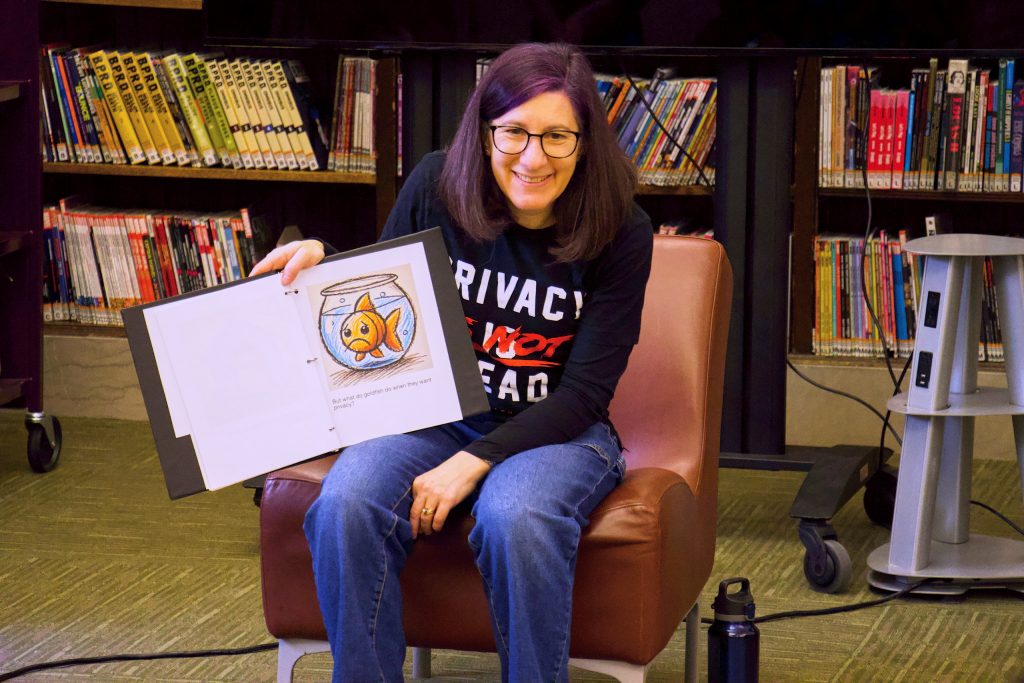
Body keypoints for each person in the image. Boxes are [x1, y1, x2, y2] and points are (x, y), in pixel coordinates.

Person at [250, 42, 653, 683]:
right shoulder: (438, 185)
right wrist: (321, 260)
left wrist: (471, 464)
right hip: (433, 416)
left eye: (557, 137)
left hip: (559, 431)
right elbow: (383, 302)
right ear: (485, 130)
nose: (533, 156)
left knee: (515, 517)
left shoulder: (622, 229)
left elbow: (583, 393)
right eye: (514, 133)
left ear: (585, 143)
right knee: (345, 503)